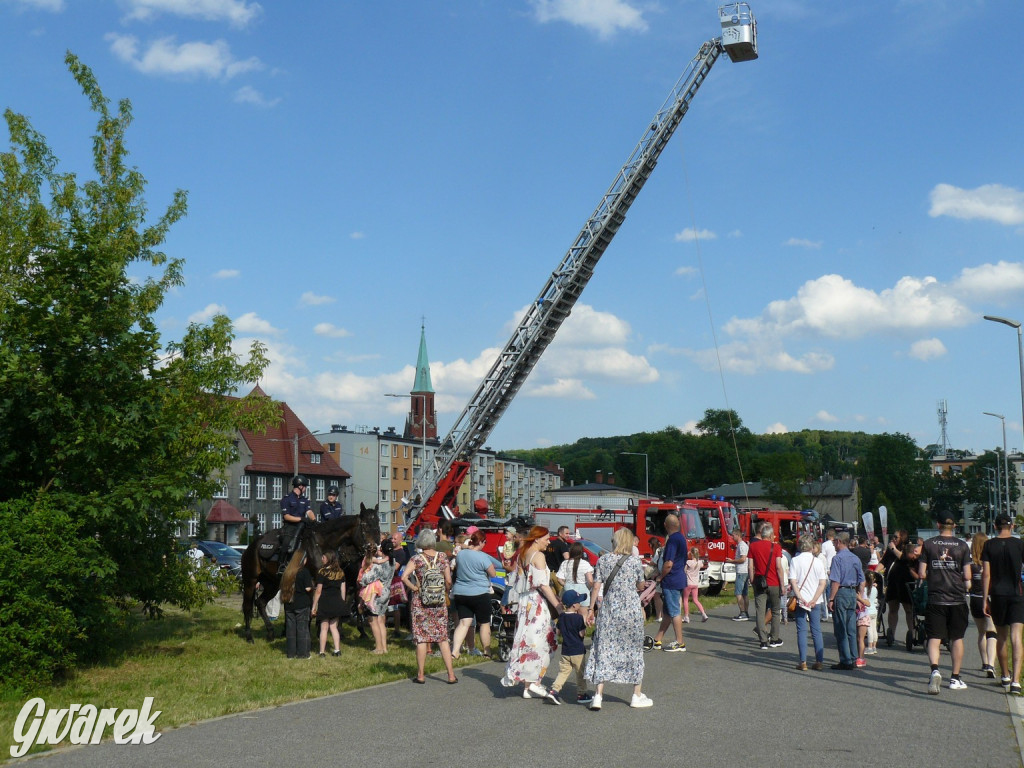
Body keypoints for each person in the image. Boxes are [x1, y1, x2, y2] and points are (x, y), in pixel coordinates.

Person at [585, 527, 652, 709]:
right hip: (630, 609)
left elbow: (597, 587)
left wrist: (591, 609)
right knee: (633, 649)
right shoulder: (634, 562)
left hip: (609, 609)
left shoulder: (603, 560)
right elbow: (640, 585)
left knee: (604, 648)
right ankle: (636, 695)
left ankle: (598, 695)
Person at [501, 526, 560, 699]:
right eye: (546, 539)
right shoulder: (538, 556)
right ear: (536, 539)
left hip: (525, 601)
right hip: (537, 601)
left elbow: (516, 581)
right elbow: (543, 585)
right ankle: (535, 683)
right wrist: (557, 606)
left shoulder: (522, 555)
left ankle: (528, 685)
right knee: (544, 641)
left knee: (527, 640)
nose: (548, 542)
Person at [920, 518, 971, 694]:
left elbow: (921, 572)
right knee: (957, 638)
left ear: (938, 525)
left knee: (934, 637)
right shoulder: (962, 545)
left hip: (936, 597)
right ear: (955, 526)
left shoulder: (928, 544)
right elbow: (967, 575)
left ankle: (935, 669)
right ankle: (955, 678)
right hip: (956, 598)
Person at [402, 529, 458, 684]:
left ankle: (420, 675)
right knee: (442, 638)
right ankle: (451, 675)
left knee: (421, 638)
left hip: (421, 603)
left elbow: (404, 577)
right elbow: (448, 581)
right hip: (438, 603)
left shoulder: (416, 559)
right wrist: (443, 592)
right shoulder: (442, 558)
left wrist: (414, 589)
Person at [982, 513, 1024, 695]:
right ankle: (1016, 681)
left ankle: (1005, 675)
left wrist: (985, 598)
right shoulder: (1020, 544)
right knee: (1017, 637)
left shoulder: (989, 545)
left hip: (998, 594)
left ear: (995, 526)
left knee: (1001, 636)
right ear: (1012, 526)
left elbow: (986, 574)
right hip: (1017, 593)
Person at [451, 531, 498, 659]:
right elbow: (493, 573)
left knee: (464, 623)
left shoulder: (461, 554)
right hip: (479, 593)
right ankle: (487, 651)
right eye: (485, 542)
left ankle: (455, 651)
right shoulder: (483, 557)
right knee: (484, 623)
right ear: (482, 542)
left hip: (461, 592)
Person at [544, 589, 592, 706]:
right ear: (575, 605)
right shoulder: (579, 618)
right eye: (579, 602)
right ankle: (582, 694)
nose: (580, 604)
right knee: (580, 673)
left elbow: (558, 632)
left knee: (563, 672)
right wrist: (584, 628)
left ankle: (554, 690)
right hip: (578, 651)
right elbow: (582, 634)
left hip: (565, 651)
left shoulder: (562, 617)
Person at [826, 532, 865, 670]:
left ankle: (845, 660)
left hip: (841, 593)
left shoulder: (837, 559)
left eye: (834, 542)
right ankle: (854, 658)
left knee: (840, 628)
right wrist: (859, 596)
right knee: (851, 629)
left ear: (838, 541)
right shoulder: (855, 558)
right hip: (852, 592)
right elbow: (862, 580)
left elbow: (835, 581)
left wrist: (831, 599)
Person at [789, 533, 827, 670]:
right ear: (812, 547)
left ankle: (803, 661)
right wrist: (814, 599)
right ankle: (819, 661)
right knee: (816, 630)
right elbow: (822, 583)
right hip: (815, 600)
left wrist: (800, 597)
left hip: (801, 600)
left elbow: (793, 581)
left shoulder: (795, 560)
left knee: (801, 630)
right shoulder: (818, 562)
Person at [650, 513, 687, 653]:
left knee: (674, 612)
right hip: (679, 577)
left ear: (666, 526)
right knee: (667, 612)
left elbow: (668, 563)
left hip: (671, 579)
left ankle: (680, 642)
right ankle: (657, 639)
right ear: (677, 525)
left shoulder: (671, 540)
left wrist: (660, 576)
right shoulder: (681, 538)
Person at [749, 522, 784, 649]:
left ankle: (763, 640)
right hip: (774, 582)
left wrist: (752, 579)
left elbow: (750, 566)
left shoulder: (753, 546)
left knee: (760, 611)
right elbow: (779, 567)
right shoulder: (777, 548)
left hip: (759, 583)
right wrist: (783, 585)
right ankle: (774, 639)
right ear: (769, 536)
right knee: (775, 611)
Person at [359, 540, 395, 655]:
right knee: (381, 621)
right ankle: (384, 648)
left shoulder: (378, 565)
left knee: (372, 620)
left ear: (382, 550)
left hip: (377, 594)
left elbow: (366, 579)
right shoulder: (392, 561)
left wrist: (362, 576)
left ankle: (378, 648)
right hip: (387, 592)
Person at [969, 532, 997, 679]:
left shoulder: (971, 564)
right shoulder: (990, 563)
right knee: (992, 631)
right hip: (988, 599)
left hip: (974, 599)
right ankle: (991, 664)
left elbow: (967, 584)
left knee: (981, 633)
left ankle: (985, 662)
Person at [312, 550, 347, 657]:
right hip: (337, 601)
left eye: (323, 557)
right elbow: (343, 589)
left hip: (325, 601)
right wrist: (342, 602)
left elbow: (318, 591)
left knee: (324, 628)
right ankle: (337, 650)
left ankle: (322, 652)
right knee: (334, 627)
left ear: (328, 559)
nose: (321, 559)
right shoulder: (340, 572)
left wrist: (314, 606)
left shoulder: (322, 572)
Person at [284, 553, 313, 659]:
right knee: (302, 629)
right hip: (301, 603)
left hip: (289, 603)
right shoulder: (304, 572)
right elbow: (308, 588)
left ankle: (291, 653)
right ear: (302, 560)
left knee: (290, 629)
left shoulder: (287, 572)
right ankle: (303, 654)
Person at [279, 475, 315, 560]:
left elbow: (309, 511)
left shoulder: (305, 499)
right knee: (286, 543)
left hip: (302, 526)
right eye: (305, 487)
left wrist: (314, 521)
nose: (305, 489)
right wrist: (300, 519)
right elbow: (286, 516)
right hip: (290, 526)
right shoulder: (287, 499)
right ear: (300, 486)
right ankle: (281, 564)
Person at [556, 541, 595, 613]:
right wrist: (588, 588)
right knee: (583, 615)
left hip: (568, 590)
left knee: (569, 614)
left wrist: (566, 585)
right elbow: (590, 580)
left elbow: (559, 579)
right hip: (582, 589)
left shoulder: (565, 563)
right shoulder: (585, 564)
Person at [727, 528, 750, 621]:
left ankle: (743, 612)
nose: (732, 537)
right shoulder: (741, 545)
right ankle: (746, 612)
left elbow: (743, 559)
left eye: (733, 535)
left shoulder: (742, 545)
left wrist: (732, 561)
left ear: (738, 535)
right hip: (744, 571)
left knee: (738, 593)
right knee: (745, 593)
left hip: (741, 571)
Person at [683, 546, 708, 623]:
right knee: (695, 600)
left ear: (691, 554)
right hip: (695, 584)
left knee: (685, 599)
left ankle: (686, 616)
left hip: (688, 583)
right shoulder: (700, 563)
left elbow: (684, 570)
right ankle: (704, 614)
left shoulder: (689, 562)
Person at [863, 570, 879, 656]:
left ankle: (869, 647)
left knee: (869, 630)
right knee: (874, 629)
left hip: (867, 611)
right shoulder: (875, 589)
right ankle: (874, 646)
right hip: (874, 611)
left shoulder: (865, 589)